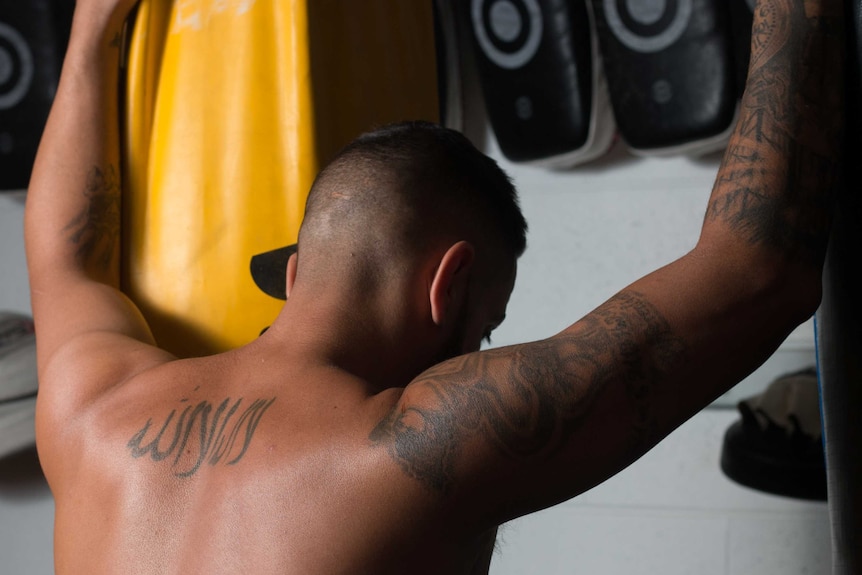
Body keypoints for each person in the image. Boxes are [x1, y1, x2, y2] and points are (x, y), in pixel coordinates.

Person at [25, 0, 843, 573]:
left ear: (297, 272)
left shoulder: (87, 409)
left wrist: (97, 27)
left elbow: (63, 253)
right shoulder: (408, 451)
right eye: (485, 326)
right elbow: (758, 267)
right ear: (446, 288)